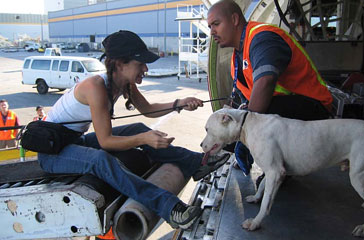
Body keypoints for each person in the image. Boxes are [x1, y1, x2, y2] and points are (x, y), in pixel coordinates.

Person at [37, 30, 230, 230]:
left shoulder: (124, 83)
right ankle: (169, 208)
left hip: (73, 142)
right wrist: (144, 139)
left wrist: (179, 102)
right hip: (53, 153)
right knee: (100, 160)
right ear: (120, 64)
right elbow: (106, 141)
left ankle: (196, 163)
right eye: (140, 64)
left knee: (136, 128)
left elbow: (147, 110)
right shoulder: (95, 87)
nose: (145, 68)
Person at [207, 0, 333, 175]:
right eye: (210, 27)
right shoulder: (236, 59)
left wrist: (245, 134)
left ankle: (278, 171)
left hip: (313, 110)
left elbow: (265, 82)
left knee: (259, 116)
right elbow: (244, 102)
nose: (212, 32)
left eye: (216, 24)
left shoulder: (262, 38)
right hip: (287, 111)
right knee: (231, 123)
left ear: (235, 20)